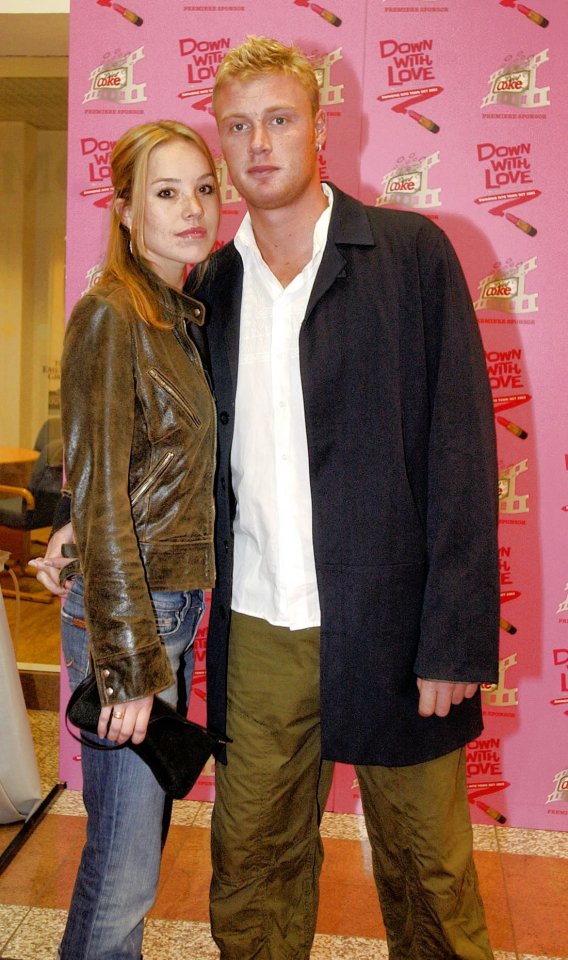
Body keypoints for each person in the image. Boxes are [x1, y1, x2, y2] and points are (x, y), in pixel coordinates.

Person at [196, 36, 500, 960]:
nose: (258, 144)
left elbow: (460, 456)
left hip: (394, 623)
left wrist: (452, 640)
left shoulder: (410, 255)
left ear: (322, 129)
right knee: (251, 865)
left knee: (429, 873)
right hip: (258, 627)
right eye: (238, 126)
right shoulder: (209, 287)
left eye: (279, 119)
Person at [30, 119, 220, 960]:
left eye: (204, 188)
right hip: (133, 620)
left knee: (129, 859)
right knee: (122, 869)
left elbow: (128, 471)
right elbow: (102, 496)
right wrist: (131, 664)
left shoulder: (173, 315)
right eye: (167, 192)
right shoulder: (112, 313)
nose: (192, 208)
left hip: (160, 606)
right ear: (126, 210)